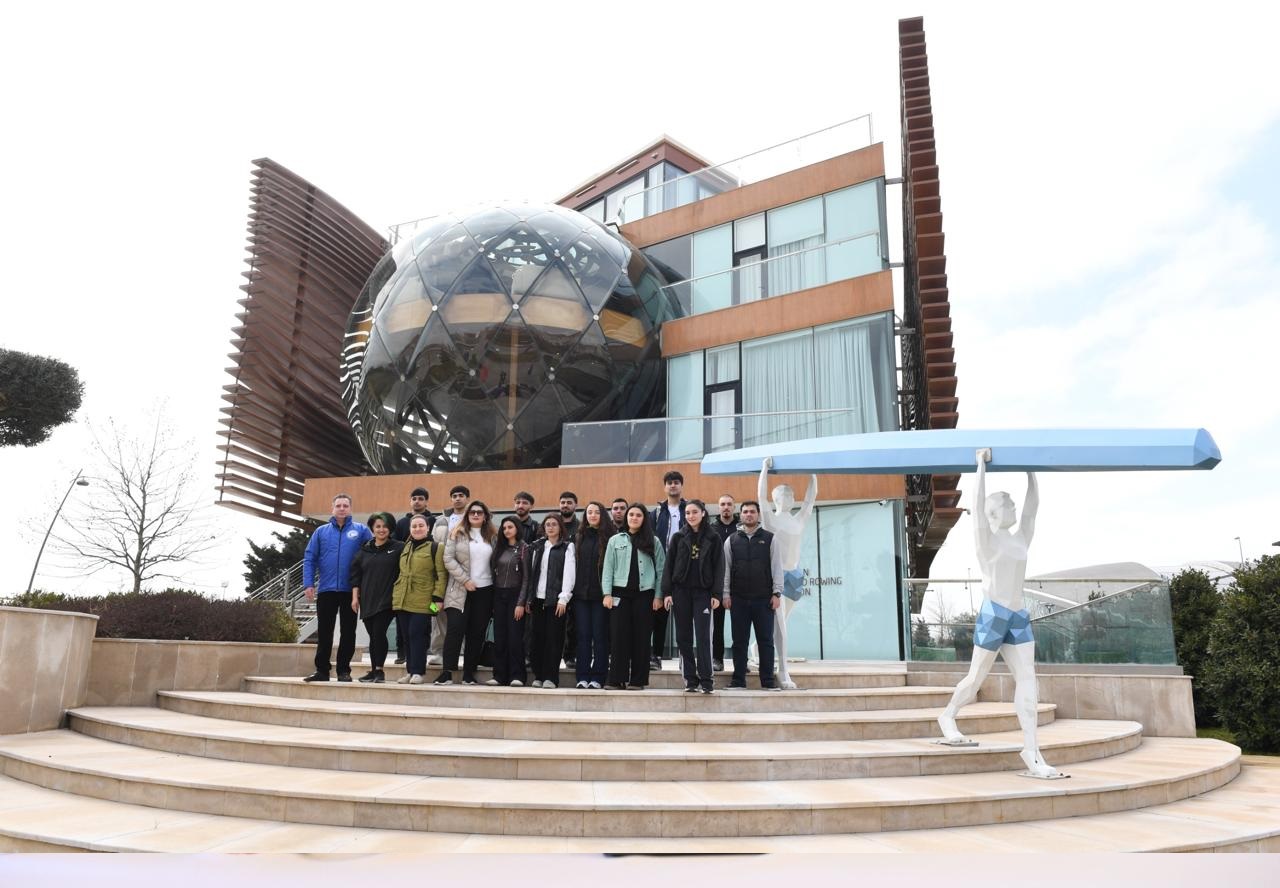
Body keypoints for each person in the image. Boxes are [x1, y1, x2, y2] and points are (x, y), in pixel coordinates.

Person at [936, 449, 1061, 778]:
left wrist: (1031, 472)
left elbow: (1032, 509)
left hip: (1018, 617)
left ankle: (1032, 750)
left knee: (1028, 679)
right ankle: (948, 714)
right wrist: (980, 466)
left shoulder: (1020, 539)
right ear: (993, 512)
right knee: (976, 678)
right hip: (993, 615)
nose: (1014, 506)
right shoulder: (986, 542)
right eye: (1008, 502)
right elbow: (977, 506)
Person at [758, 457, 817, 690]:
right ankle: (783, 670)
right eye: (782, 495)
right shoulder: (770, 519)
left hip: (795, 575)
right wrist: (764, 469)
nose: (787, 498)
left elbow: (810, 499)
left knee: (782, 623)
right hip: (777, 576)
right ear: (775, 499)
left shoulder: (799, 519)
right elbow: (760, 496)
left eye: (790, 494)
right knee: (781, 625)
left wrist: (813, 474)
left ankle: (756, 649)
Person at [301, 494, 372, 682]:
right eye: (338, 505)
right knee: (325, 631)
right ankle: (322, 671)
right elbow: (310, 558)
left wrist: (365, 585)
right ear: (332, 508)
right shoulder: (321, 532)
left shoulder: (361, 531)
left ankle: (343, 671)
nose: (342, 508)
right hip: (327, 589)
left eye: (345, 505)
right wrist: (308, 583)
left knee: (348, 632)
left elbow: (371, 556)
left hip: (351, 591)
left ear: (350, 508)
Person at [662, 500, 725, 694]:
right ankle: (690, 679)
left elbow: (719, 567)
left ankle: (707, 679)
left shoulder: (713, 537)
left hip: (703, 593)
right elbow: (668, 566)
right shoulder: (678, 537)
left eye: (694, 512)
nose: (690, 516)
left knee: (703, 636)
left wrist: (716, 594)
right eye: (688, 513)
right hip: (680, 592)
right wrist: (667, 592)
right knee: (683, 637)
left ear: (703, 513)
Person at [602, 504, 665, 690]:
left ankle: (638, 680)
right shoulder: (615, 540)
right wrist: (607, 593)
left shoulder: (653, 541)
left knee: (642, 638)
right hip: (619, 594)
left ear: (644, 518)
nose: (634, 518)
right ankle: (616, 679)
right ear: (626, 517)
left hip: (645, 595)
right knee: (618, 637)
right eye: (631, 514)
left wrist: (659, 596)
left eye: (638, 515)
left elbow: (661, 570)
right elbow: (608, 568)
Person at [722, 500, 783, 690]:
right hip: (738, 599)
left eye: (752, 511)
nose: (749, 514)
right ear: (740, 515)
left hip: (763, 599)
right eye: (745, 511)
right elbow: (726, 569)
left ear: (758, 515)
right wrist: (726, 594)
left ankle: (768, 682)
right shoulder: (731, 540)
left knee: (766, 641)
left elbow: (777, 567)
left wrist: (777, 593)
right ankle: (738, 681)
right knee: (739, 642)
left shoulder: (770, 539)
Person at [439, 500, 496, 685]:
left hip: (485, 591)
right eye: (472, 512)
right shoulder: (456, 533)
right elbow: (448, 559)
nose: (476, 515)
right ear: (467, 515)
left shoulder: (493, 536)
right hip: (459, 590)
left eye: (480, 512)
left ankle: (469, 673)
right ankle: (447, 672)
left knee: (476, 634)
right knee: (455, 630)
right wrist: (465, 580)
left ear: (485, 516)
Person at [518, 513, 575, 688]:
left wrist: (564, 598)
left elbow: (569, 574)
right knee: (537, 640)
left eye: (554, 524)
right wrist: (529, 598)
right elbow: (531, 574)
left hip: (556, 601)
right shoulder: (537, 546)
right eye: (547, 524)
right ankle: (539, 675)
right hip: (537, 600)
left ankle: (551, 677)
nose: (550, 527)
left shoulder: (567, 547)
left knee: (554, 640)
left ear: (560, 527)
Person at [348, 512, 403, 683]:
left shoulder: (399, 547)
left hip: (387, 599)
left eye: (385, 526)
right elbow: (356, 576)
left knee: (379, 633)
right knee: (373, 635)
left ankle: (379, 670)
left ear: (390, 528)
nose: (381, 529)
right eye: (378, 526)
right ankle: (373, 670)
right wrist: (355, 598)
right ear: (372, 528)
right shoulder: (364, 550)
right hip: (367, 599)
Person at [389, 513, 443, 684]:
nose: (417, 529)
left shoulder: (436, 547)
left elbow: (441, 575)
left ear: (428, 528)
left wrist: (438, 598)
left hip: (424, 600)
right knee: (406, 637)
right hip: (402, 599)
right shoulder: (405, 547)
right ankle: (410, 671)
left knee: (417, 635)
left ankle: (418, 672)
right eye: (414, 526)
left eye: (421, 525)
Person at [572, 502, 614, 689]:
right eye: (589, 512)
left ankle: (598, 677)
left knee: (599, 637)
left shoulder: (609, 538)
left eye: (597, 512)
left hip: (601, 596)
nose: (593, 515)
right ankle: (582, 676)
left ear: (602, 515)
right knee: (583, 637)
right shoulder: (578, 537)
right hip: (580, 596)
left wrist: (608, 592)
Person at [649, 470, 687, 670]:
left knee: (684, 616)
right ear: (665, 487)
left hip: (685, 570)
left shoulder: (690, 509)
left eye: (676, 482)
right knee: (659, 615)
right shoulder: (656, 513)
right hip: (661, 569)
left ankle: (684, 657)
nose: (673, 485)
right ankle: (656, 656)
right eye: (669, 482)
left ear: (681, 486)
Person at [393, 487, 434, 664]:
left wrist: (437, 598)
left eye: (421, 498)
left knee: (424, 625)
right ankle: (402, 653)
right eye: (414, 498)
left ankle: (422, 655)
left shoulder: (434, 520)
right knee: (402, 625)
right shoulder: (402, 523)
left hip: (426, 590)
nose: (417, 501)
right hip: (404, 585)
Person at [490, 517, 529, 687]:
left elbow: (527, 578)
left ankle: (517, 675)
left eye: (510, 527)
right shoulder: (499, 548)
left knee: (514, 637)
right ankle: (499, 676)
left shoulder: (524, 548)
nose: (507, 530)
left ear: (517, 528)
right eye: (504, 528)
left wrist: (521, 603)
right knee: (500, 636)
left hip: (515, 595)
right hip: (499, 595)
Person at [709, 494, 739, 672]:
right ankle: (717, 659)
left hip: (739, 583)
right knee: (717, 625)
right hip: (717, 583)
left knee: (740, 625)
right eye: (722, 504)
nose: (726, 507)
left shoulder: (741, 528)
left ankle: (740, 661)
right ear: (718, 507)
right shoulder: (711, 529)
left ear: (734, 507)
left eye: (729, 504)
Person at [557, 491, 580, 668]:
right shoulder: (551, 524)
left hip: (575, 580)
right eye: (563, 502)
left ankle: (570, 656)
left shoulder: (581, 527)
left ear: (575, 505)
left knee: (573, 622)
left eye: (569, 502)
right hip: (553, 579)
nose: (565, 505)